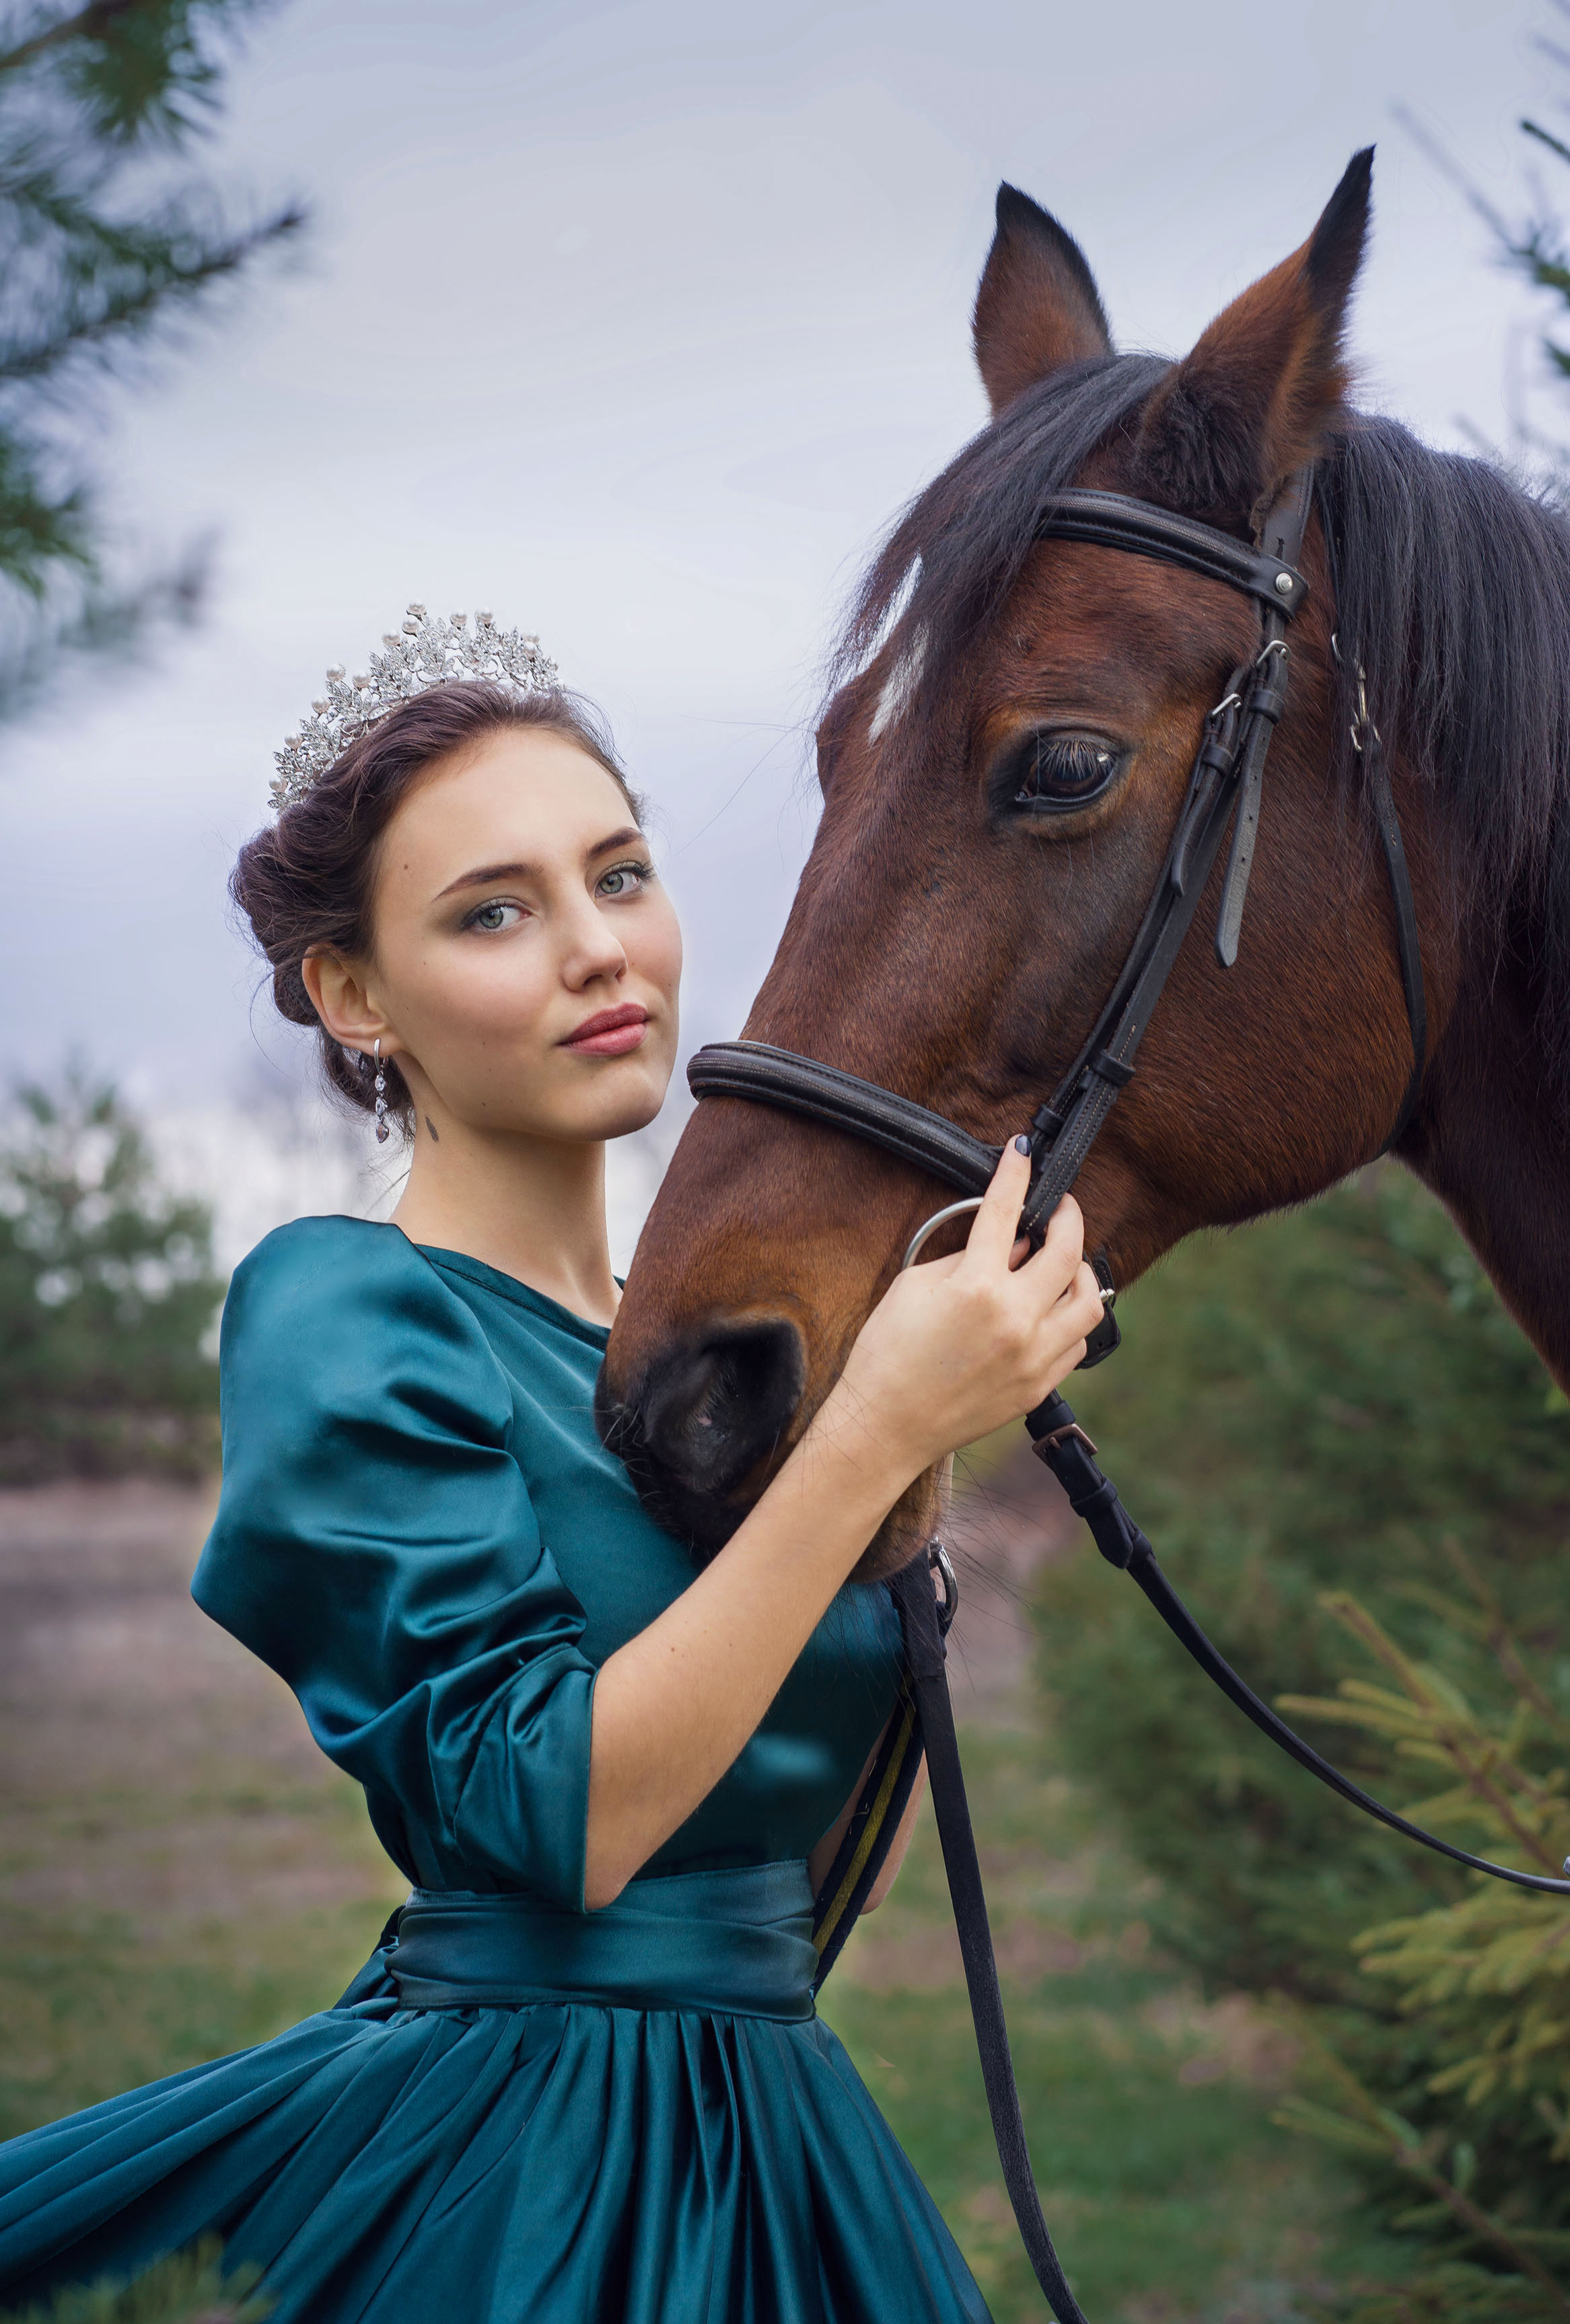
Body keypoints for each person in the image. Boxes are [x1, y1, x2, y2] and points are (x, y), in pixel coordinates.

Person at [0, 616, 1104, 2323]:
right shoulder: (342, 1306)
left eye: (622, 872)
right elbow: (551, 1816)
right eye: (495, 911)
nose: (602, 950)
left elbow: (789, 1838)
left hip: (788, 2133)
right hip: (522, 2166)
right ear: (357, 999)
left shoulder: (715, 1368)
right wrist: (885, 1425)